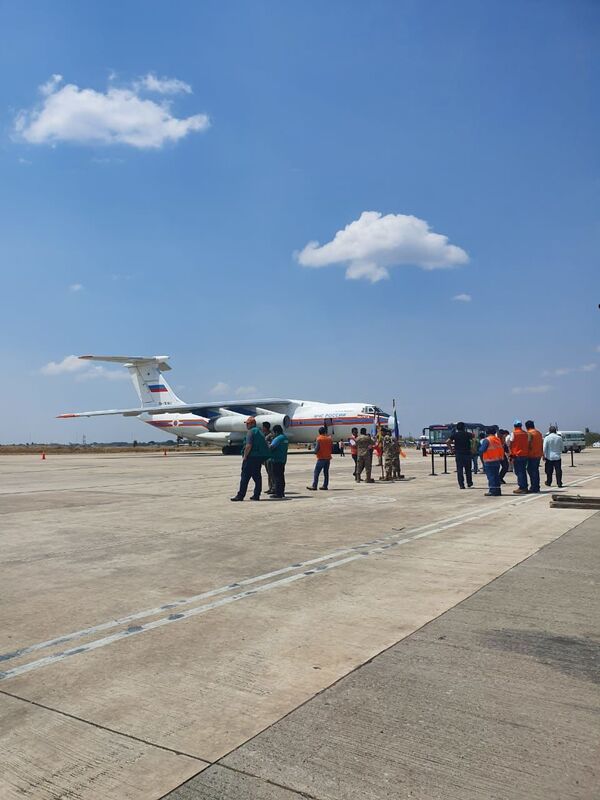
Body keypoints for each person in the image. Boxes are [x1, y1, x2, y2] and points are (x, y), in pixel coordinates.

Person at [231, 417, 270, 501]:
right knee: (257, 477)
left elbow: (248, 445)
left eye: (248, 423)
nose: (247, 425)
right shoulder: (260, 432)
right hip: (258, 458)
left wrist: (245, 456)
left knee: (245, 477)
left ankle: (240, 495)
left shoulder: (251, 432)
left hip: (251, 457)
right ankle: (256, 495)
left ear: (252, 424)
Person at [447, 422, 473, 489]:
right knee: (468, 469)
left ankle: (461, 484)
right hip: (467, 453)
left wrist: (451, 449)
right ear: (464, 427)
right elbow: (474, 438)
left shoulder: (454, 435)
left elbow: (447, 441)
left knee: (459, 470)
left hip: (459, 454)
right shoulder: (468, 434)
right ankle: (469, 482)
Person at [479, 426, 504, 496]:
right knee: (496, 476)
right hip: (497, 460)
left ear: (487, 433)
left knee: (491, 476)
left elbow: (482, 450)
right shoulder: (497, 439)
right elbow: (501, 449)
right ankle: (498, 490)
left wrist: (479, 448)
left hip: (489, 461)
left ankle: (492, 490)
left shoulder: (487, 440)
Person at [307, 426, 333, 491]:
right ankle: (325, 485)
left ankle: (314, 485)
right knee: (326, 473)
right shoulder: (329, 439)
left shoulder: (319, 439)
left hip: (321, 458)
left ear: (319, 432)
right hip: (328, 458)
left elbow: (316, 449)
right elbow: (331, 448)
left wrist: (314, 451)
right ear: (325, 432)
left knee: (316, 472)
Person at [508, 420, 529, 494]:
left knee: (519, 472)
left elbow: (509, 443)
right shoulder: (525, 433)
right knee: (523, 471)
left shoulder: (513, 433)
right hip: (525, 455)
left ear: (514, 426)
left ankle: (522, 487)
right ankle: (524, 486)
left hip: (517, 455)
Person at [269, 424, 289, 498]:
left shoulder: (277, 438)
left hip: (276, 459)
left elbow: (271, 447)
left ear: (276, 432)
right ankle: (281, 492)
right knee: (281, 476)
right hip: (283, 459)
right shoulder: (285, 438)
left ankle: (278, 493)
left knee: (276, 477)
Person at [525, 419, 543, 494]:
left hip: (531, 455)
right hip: (538, 454)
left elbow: (528, 444)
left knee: (531, 471)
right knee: (535, 470)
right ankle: (536, 486)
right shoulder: (538, 433)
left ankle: (534, 487)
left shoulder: (529, 433)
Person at [262, 421, 275, 494]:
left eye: (263, 427)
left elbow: (271, 446)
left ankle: (273, 487)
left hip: (270, 456)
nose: (262, 428)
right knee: (269, 473)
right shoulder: (265, 435)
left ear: (265, 427)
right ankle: (270, 487)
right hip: (266, 457)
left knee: (271, 473)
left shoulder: (271, 435)